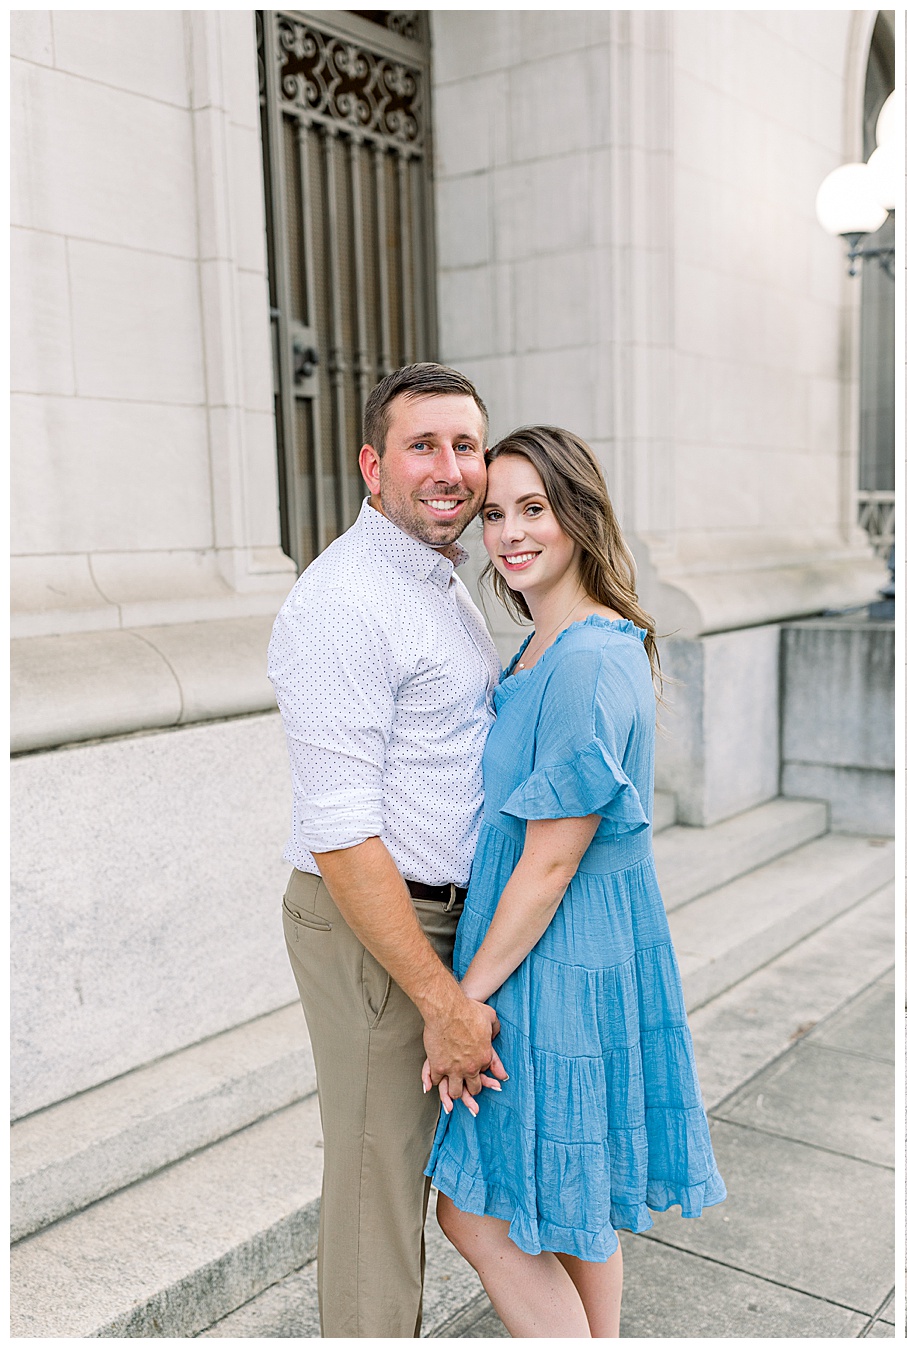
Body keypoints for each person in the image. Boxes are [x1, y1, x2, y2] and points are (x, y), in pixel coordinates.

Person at [425, 425, 726, 1337]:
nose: (510, 534)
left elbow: (552, 861)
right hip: (572, 943)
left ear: (579, 517)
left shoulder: (588, 658)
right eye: (494, 515)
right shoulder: (556, 645)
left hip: (553, 955)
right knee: (575, 1198)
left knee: (474, 1209)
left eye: (534, 509)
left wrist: (459, 1008)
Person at [268, 362, 508, 1336]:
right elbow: (340, 830)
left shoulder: (439, 579)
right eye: (423, 445)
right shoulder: (342, 604)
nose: (450, 467)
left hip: (450, 910)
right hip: (379, 920)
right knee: (377, 1191)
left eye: (466, 445)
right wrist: (439, 997)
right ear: (373, 466)